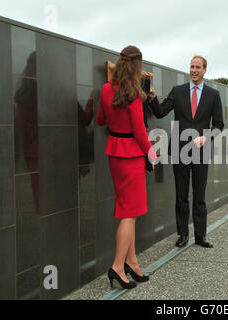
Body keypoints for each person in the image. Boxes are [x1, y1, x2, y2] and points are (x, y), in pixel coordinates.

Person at [96, 45, 157, 289]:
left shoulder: (105, 89)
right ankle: (118, 266)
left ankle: (132, 262)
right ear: (137, 65)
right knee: (129, 214)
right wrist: (152, 154)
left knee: (126, 209)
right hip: (131, 156)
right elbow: (140, 131)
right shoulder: (134, 93)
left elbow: (100, 119)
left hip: (114, 153)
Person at [148, 55, 224, 249]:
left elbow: (219, 124)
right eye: (191, 67)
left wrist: (206, 137)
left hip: (201, 151)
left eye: (198, 67)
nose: (194, 70)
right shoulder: (178, 91)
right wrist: (152, 98)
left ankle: (201, 236)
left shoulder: (213, 95)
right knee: (181, 195)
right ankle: (182, 234)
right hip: (179, 150)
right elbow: (160, 112)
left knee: (199, 195)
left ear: (205, 70)